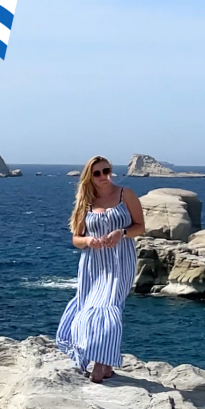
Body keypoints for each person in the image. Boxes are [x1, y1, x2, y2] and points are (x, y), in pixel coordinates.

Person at [56, 156, 145, 383]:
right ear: (89, 176)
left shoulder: (126, 194)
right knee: (87, 309)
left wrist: (121, 233)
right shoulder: (84, 203)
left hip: (120, 260)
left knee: (109, 308)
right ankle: (101, 362)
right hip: (93, 264)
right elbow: (76, 238)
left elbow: (140, 227)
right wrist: (88, 242)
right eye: (97, 173)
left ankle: (100, 364)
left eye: (107, 170)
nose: (104, 176)